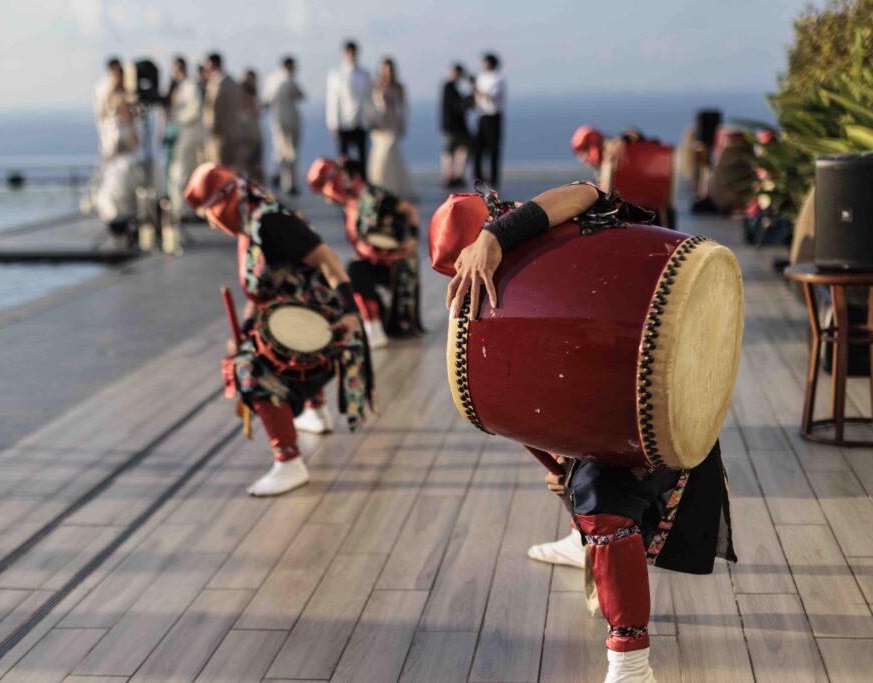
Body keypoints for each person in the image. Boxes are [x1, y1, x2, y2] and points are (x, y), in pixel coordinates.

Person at [444, 183, 736, 683]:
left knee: (603, 501)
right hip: (610, 405)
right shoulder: (493, 295)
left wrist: (495, 236)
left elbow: (585, 191)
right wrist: (559, 463)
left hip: (646, 397)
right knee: (584, 487)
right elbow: (531, 393)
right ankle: (581, 541)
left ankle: (631, 666)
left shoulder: (535, 231)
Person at [183, 163, 373, 495]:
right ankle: (316, 411)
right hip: (299, 316)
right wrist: (244, 330)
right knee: (257, 342)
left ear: (225, 201)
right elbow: (261, 294)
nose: (212, 223)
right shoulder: (252, 223)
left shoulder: (272, 221)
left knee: (248, 367)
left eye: (210, 213)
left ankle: (289, 462)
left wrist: (350, 312)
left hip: (328, 323)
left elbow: (327, 261)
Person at [308, 157, 423, 348]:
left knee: (354, 270)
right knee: (351, 271)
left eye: (324, 191)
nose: (327, 199)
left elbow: (409, 210)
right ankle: (373, 325)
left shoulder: (372, 197)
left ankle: (377, 325)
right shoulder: (350, 204)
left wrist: (412, 237)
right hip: (374, 262)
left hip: (396, 264)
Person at [93, 56, 142, 239]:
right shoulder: (104, 89)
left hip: (124, 138)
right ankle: (114, 214)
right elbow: (102, 116)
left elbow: (132, 117)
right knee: (112, 178)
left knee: (127, 176)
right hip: (112, 139)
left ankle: (127, 214)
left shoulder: (126, 90)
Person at [367, 58, 415, 200]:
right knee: (379, 156)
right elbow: (370, 106)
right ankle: (380, 187)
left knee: (390, 153)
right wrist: (373, 121)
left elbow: (403, 107)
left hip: (392, 125)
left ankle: (394, 188)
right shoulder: (376, 86)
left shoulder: (399, 87)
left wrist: (402, 124)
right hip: (380, 126)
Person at [167, 56, 206, 223]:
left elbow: (195, 111)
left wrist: (177, 119)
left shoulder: (190, 87)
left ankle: (184, 209)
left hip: (188, 136)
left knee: (183, 173)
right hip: (182, 135)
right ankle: (183, 208)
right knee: (182, 173)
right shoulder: (178, 88)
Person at [326, 40, 372, 181]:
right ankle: (344, 184)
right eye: (349, 52)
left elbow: (368, 99)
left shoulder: (365, 74)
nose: (352, 55)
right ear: (344, 54)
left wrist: (370, 119)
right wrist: (333, 122)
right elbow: (333, 100)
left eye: (354, 52)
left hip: (361, 121)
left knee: (363, 157)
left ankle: (362, 184)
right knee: (343, 158)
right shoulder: (336, 74)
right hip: (343, 122)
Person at [263, 56, 305, 194]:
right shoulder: (288, 80)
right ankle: (288, 182)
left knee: (280, 152)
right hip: (288, 121)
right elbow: (301, 95)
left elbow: (267, 102)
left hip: (278, 121)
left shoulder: (272, 80)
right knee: (289, 153)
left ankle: (280, 177)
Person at [203, 53, 243, 168]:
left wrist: (210, 130)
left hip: (219, 136)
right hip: (234, 132)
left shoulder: (215, 83)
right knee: (232, 169)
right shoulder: (233, 83)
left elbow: (213, 110)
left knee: (219, 169)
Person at [473, 52, 505, 187]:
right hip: (482, 115)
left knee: (493, 148)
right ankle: (478, 178)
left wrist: (477, 90)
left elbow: (491, 96)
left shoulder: (498, 79)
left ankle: (494, 179)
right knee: (478, 148)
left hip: (493, 116)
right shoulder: (481, 78)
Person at [440, 64, 473, 189]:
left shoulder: (452, 87)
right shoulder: (449, 87)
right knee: (452, 150)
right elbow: (458, 106)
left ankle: (454, 175)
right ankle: (450, 176)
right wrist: (468, 100)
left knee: (458, 150)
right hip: (453, 126)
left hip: (454, 126)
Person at [240, 69, 264, 183]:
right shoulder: (242, 95)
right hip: (247, 133)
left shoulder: (254, 94)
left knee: (256, 165)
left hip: (255, 133)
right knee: (248, 164)